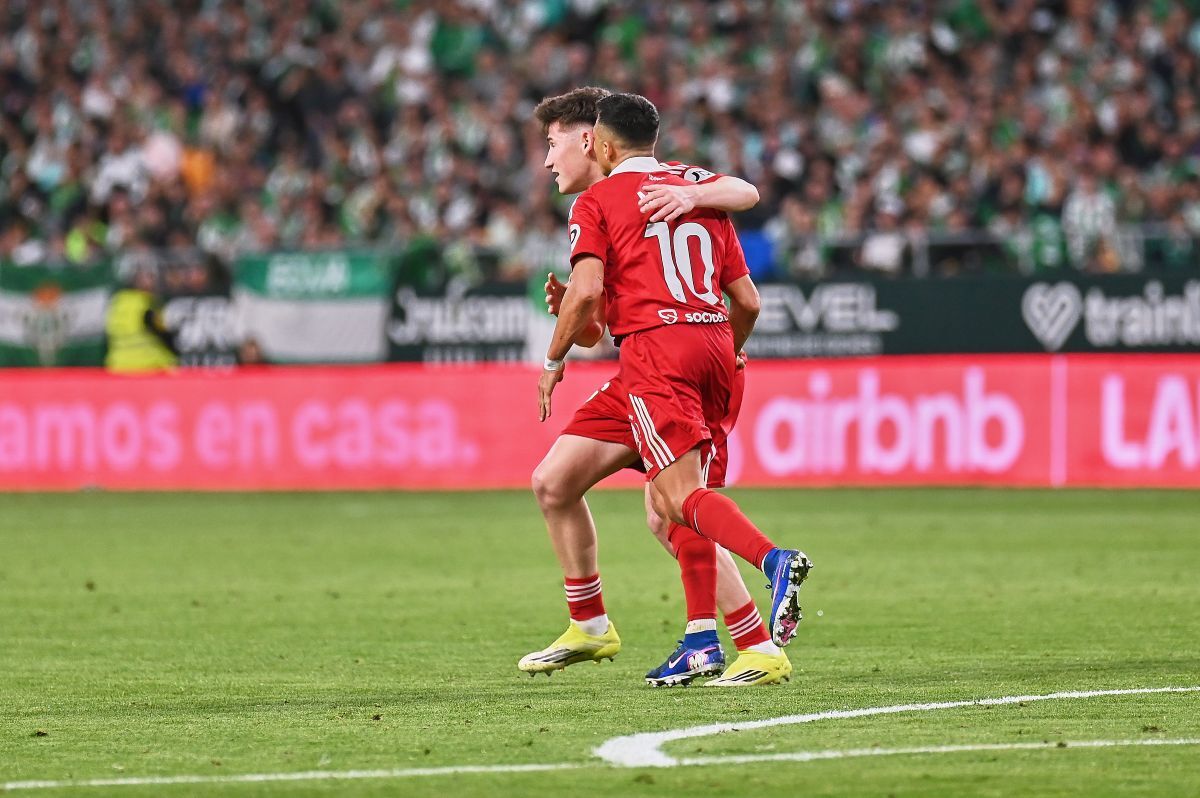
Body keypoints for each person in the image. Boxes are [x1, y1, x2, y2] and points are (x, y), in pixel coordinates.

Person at [537, 92, 814, 685]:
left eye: (553, 143)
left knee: (680, 503)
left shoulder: (599, 201)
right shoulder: (693, 192)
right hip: (704, 345)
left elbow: (595, 300)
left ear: (595, 142)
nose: (548, 159)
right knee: (562, 483)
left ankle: (768, 573)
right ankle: (658, 635)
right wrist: (723, 350)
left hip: (656, 359)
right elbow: (745, 298)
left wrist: (554, 354)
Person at [104, 268, 178, 373]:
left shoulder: (117, 302)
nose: (151, 282)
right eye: (148, 277)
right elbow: (162, 334)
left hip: (118, 366)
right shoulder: (146, 304)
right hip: (147, 366)